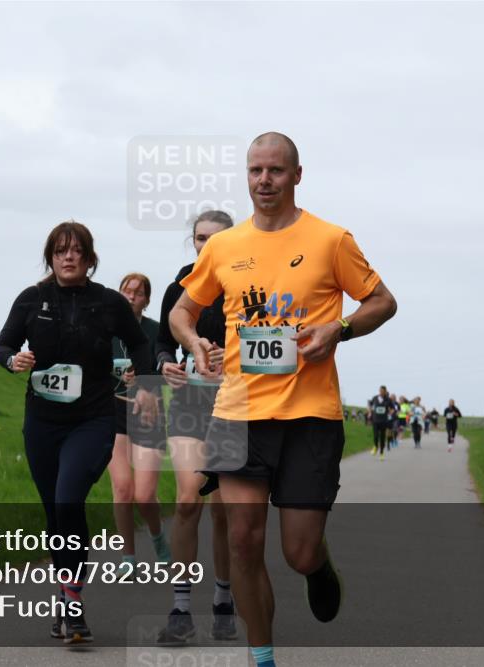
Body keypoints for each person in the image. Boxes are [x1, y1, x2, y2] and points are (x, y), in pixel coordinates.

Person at [169, 133, 397, 667]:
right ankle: (262, 657)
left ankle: (318, 566)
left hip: (309, 417)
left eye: (275, 170)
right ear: (246, 176)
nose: (263, 181)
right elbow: (181, 311)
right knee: (244, 542)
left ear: (297, 175)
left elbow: (382, 301)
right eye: (255, 170)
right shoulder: (225, 247)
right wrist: (194, 341)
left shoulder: (330, 239)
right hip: (237, 414)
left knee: (296, 551)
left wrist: (337, 329)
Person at [0, 221, 159, 644]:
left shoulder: (107, 302)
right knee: (55, 512)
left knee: (69, 499)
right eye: (61, 250)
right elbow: (3, 345)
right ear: (50, 256)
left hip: (93, 418)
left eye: (77, 251)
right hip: (43, 423)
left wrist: (143, 380)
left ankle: (72, 604)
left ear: (89, 258)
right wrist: (13, 361)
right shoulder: (32, 299)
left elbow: (139, 344)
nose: (69, 257)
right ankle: (66, 598)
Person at [154, 210, 236, 644]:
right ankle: (181, 609)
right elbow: (162, 340)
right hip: (189, 402)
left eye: (216, 239)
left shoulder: (245, 283)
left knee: (224, 509)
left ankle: (223, 600)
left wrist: (233, 359)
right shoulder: (179, 286)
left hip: (234, 405)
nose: (206, 246)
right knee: (188, 501)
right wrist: (165, 363)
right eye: (200, 238)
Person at [107, 272, 170, 576]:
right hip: (113, 413)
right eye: (126, 290)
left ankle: (158, 537)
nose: (131, 296)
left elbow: (167, 370)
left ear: (146, 299)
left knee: (144, 495)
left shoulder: (156, 331)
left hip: (149, 414)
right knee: (122, 488)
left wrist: (144, 380)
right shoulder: (104, 329)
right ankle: (128, 557)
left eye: (138, 292)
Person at [368, 385, 392, 461]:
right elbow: (370, 404)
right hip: (375, 420)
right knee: (375, 435)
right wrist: (369, 411)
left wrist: (390, 413)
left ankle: (381, 453)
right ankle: (375, 446)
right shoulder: (375, 398)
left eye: (383, 391)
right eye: (380, 390)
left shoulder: (388, 399)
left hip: (384, 421)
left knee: (382, 437)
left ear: (385, 391)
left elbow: (392, 409)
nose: (381, 392)